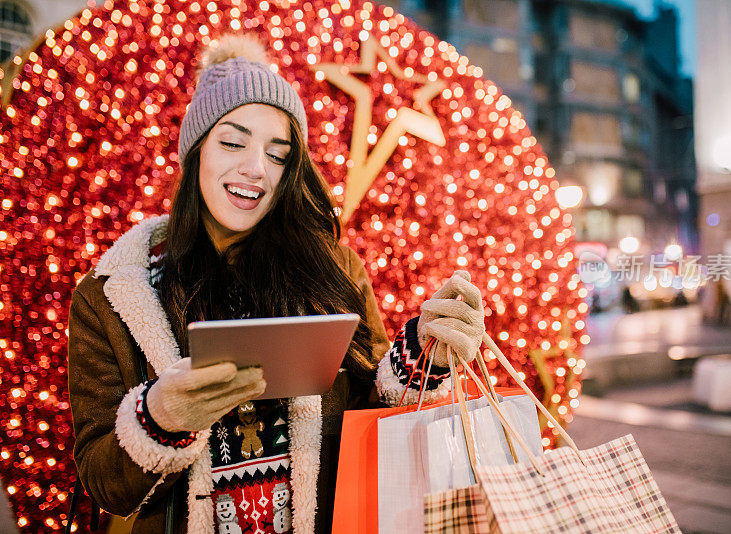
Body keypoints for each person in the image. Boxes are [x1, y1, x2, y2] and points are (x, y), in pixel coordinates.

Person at [67, 34, 485, 534]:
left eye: (278, 153)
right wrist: (160, 415)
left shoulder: (334, 270)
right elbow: (101, 482)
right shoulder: (116, 294)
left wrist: (424, 353)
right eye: (232, 142)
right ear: (196, 150)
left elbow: (366, 411)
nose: (255, 167)